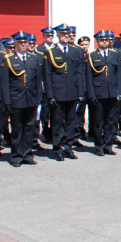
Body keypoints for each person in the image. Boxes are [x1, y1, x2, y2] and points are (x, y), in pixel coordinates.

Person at [0, 31, 43, 167]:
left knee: (29, 127)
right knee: (17, 128)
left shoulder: (34, 59)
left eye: (25, 42)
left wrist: (39, 98)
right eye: (20, 43)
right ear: (15, 44)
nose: (23, 45)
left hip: (31, 99)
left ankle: (28, 154)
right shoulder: (9, 59)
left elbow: (38, 80)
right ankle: (17, 155)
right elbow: (4, 83)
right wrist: (7, 101)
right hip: (16, 99)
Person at [43, 24, 84, 161]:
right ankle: (57, 147)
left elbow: (79, 72)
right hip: (57, 93)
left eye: (68, 34)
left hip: (72, 92)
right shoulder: (51, 51)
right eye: (63, 34)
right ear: (58, 35)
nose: (66, 36)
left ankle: (68, 147)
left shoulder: (75, 51)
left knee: (71, 121)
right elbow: (47, 75)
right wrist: (50, 95)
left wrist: (80, 92)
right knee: (57, 121)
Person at [86, 30, 121, 156]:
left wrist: (119, 91)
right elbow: (89, 77)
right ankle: (99, 146)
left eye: (106, 40)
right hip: (98, 92)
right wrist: (91, 94)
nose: (104, 42)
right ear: (97, 41)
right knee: (98, 122)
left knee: (110, 121)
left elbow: (119, 74)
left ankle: (108, 145)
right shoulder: (92, 56)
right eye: (102, 40)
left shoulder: (115, 54)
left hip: (112, 92)